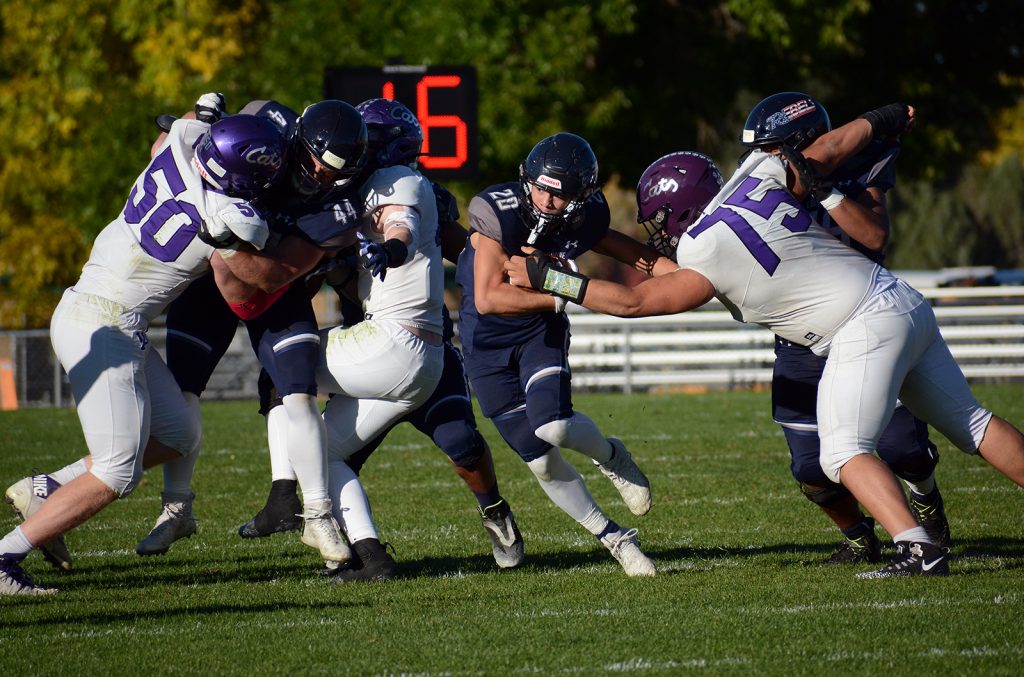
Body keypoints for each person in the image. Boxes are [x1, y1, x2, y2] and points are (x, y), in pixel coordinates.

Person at [505, 104, 1024, 578]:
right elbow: (825, 151)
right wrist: (881, 119)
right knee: (972, 423)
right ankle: (918, 540)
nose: (660, 234)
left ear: (679, 211)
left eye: (661, 223)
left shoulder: (704, 251)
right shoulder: (752, 173)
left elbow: (636, 303)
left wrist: (551, 279)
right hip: (899, 299)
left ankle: (918, 547)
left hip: (859, 325)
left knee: (841, 452)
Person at [0, 111, 289, 595]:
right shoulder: (233, 216)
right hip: (107, 322)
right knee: (118, 471)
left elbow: (174, 130)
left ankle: (47, 489)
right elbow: (265, 277)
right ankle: (6, 555)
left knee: (180, 432)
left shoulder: (180, 144)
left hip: (90, 306)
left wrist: (202, 111)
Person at [240, 99, 524, 579]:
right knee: (326, 451)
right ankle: (369, 555)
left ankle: (493, 510)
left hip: (399, 347)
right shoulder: (344, 194)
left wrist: (506, 278)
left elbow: (424, 236)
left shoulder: (402, 187)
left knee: (460, 443)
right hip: (378, 349)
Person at [131, 97, 369, 567]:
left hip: (276, 286)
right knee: (185, 393)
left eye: (334, 173)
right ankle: (177, 508)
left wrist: (225, 238)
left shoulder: (339, 207)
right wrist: (196, 123)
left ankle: (318, 515)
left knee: (297, 394)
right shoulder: (269, 132)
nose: (321, 178)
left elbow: (273, 276)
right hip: (210, 285)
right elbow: (178, 145)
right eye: (317, 165)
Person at [733, 92, 948, 563]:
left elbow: (873, 236)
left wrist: (823, 189)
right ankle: (858, 536)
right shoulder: (760, 185)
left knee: (903, 448)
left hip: (861, 321)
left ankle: (926, 497)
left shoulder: (855, 167)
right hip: (799, 337)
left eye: (772, 150)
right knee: (810, 466)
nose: (763, 162)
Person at [455, 133, 678, 577]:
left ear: (579, 197)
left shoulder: (584, 218)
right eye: (540, 188)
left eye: (558, 193)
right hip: (486, 345)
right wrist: (561, 297)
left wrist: (686, 274)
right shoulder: (496, 213)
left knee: (555, 425)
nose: (546, 200)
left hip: (538, 333)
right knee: (540, 461)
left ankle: (611, 456)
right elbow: (489, 299)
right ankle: (614, 538)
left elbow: (633, 254)